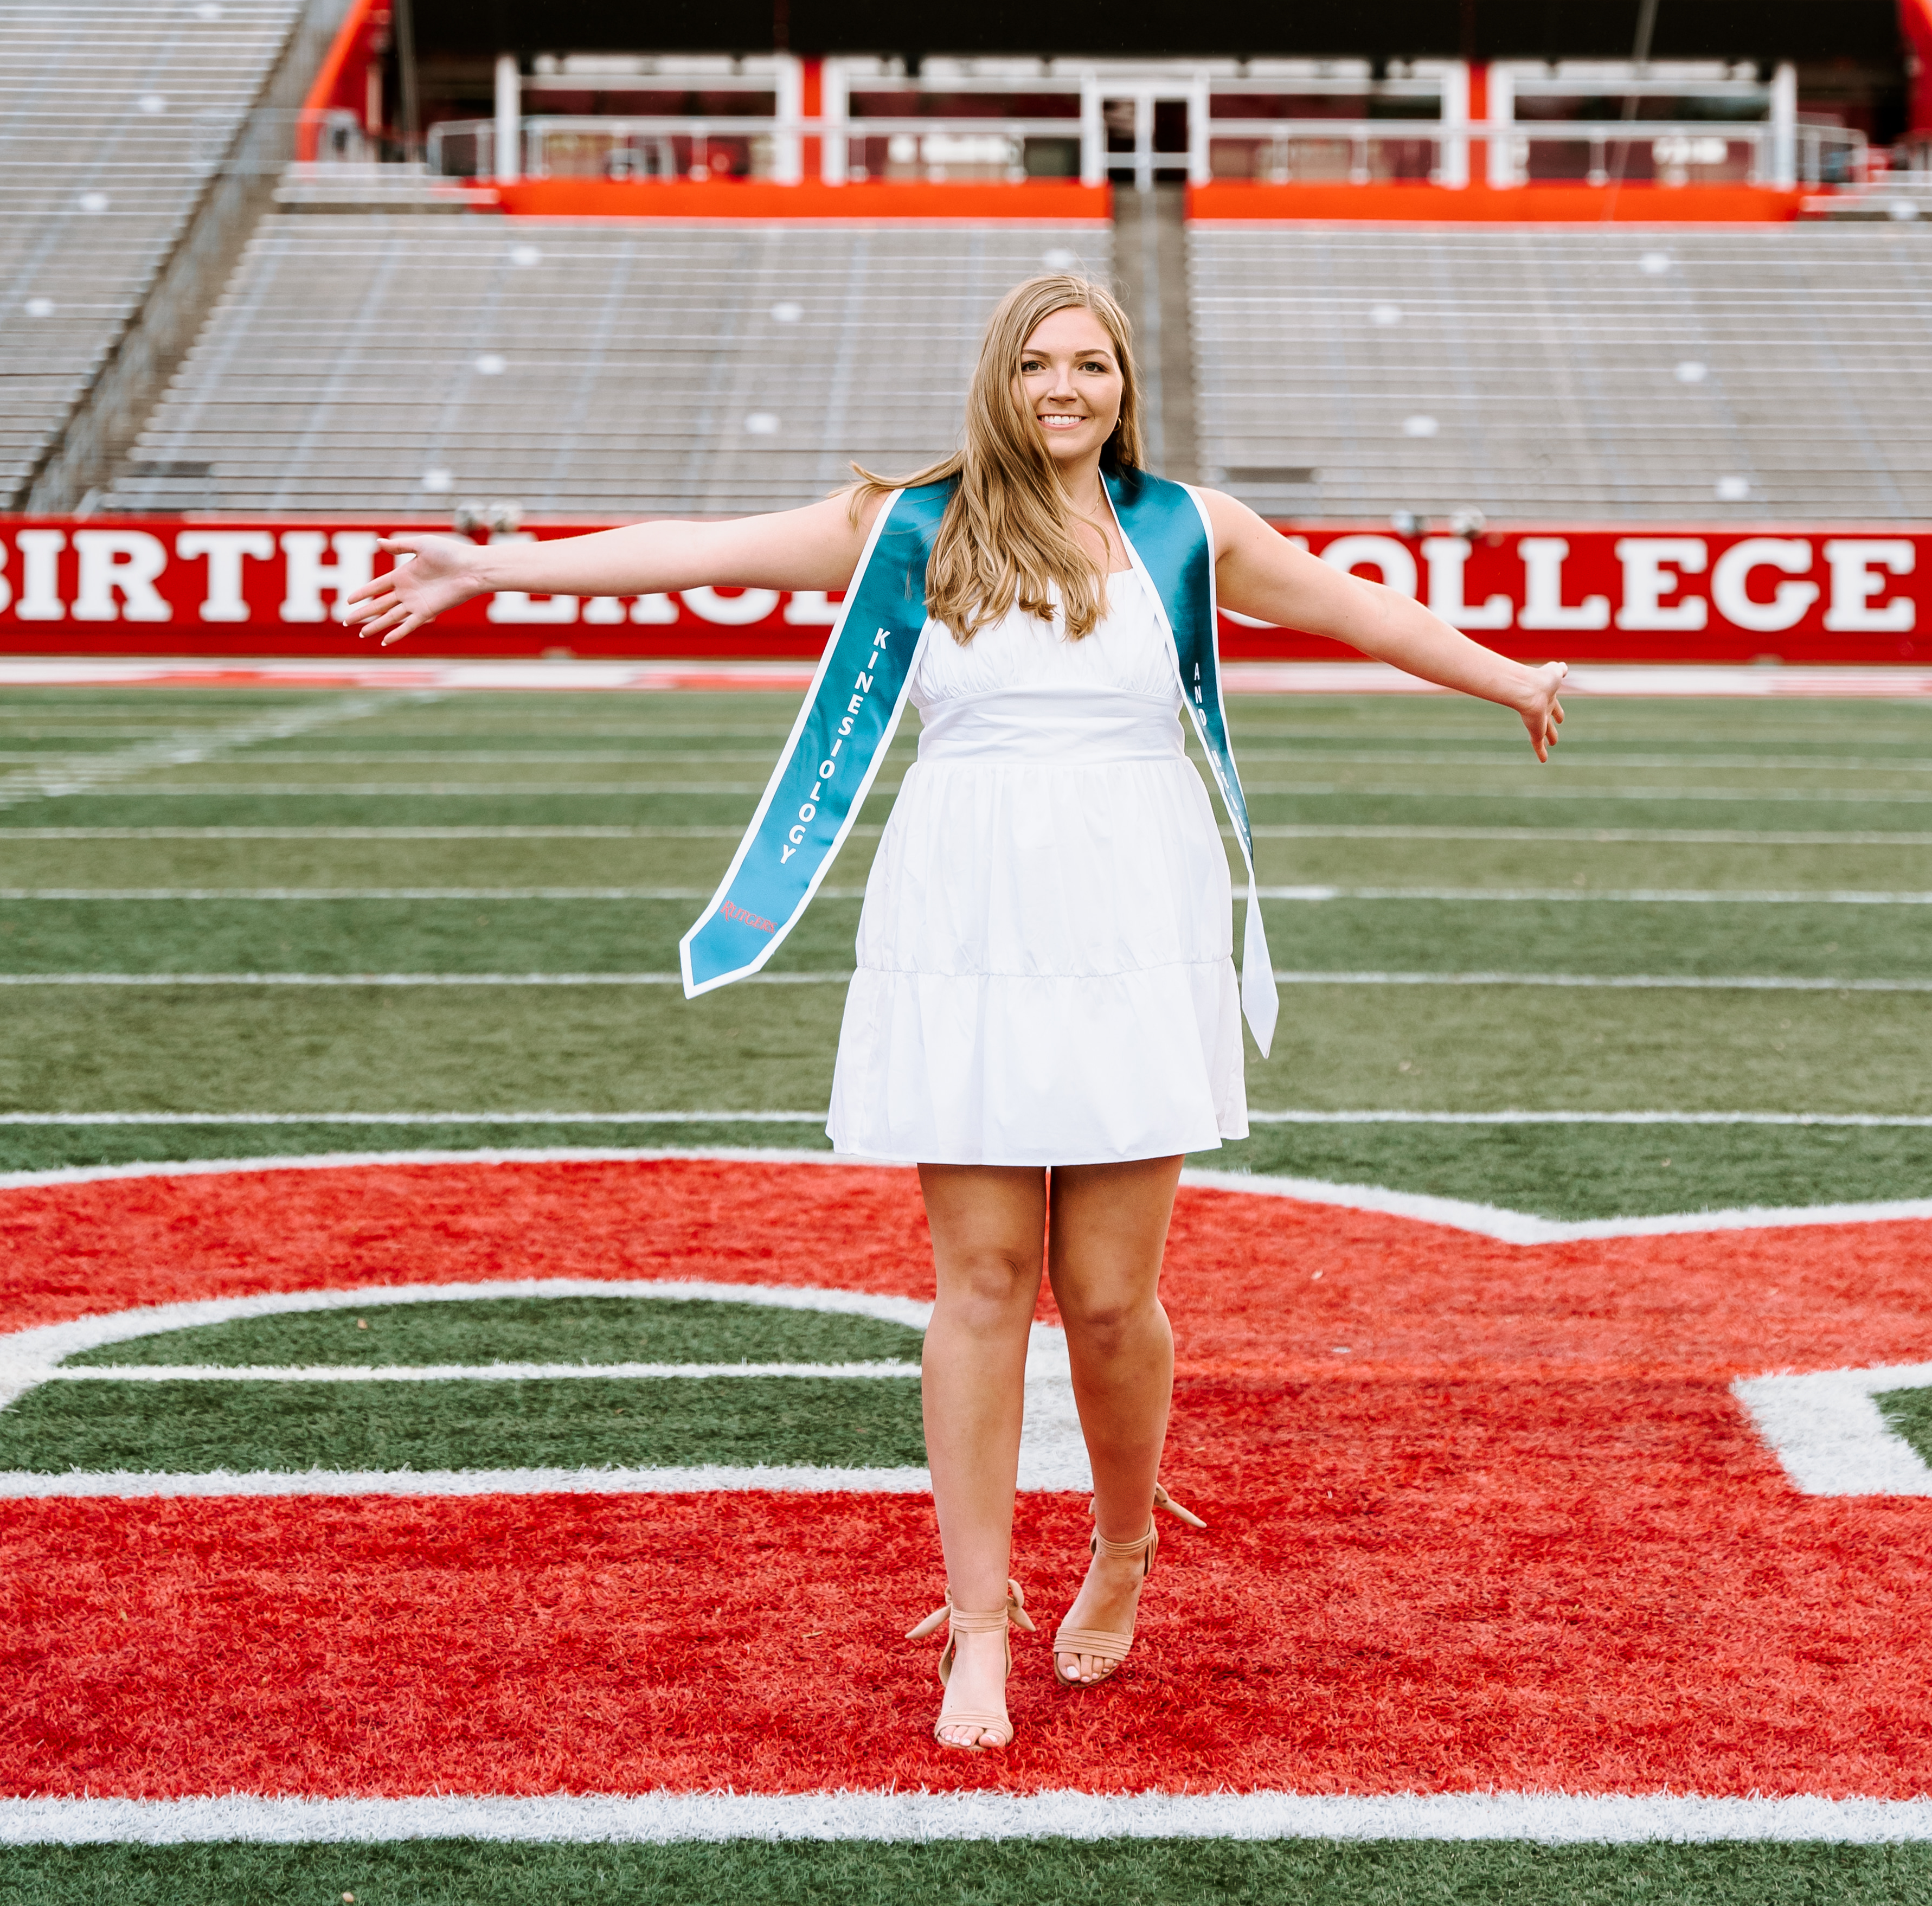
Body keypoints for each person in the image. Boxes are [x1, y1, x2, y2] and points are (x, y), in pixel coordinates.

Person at [341, 273, 1567, 1749]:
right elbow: (685, 550)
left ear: (1125, 382)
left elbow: (1352, 605)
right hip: (969, 915)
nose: (1068, 389)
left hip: (1132, 917)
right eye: (1041, 364)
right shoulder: (902, 524)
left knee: (1110, 1299)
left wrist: (1510, 678)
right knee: (983, 1281)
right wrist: (495, 573)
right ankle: (975, 1630)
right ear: (1001, 377)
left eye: (1094, 364)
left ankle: (1123, 1549)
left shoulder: (1188, 524)